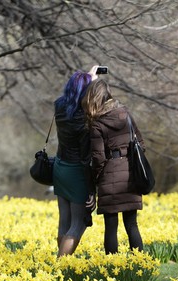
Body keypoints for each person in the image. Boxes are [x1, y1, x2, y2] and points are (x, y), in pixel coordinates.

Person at [82, 78, 144, 254]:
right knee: (132, 224)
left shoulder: (97, 124)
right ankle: (140, 266)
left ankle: (111, 268)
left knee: (111, 227)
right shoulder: (125, 114)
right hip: (130, 174)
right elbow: (140, 142)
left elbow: (98, 157)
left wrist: (95, 178)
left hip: (109, 176)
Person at [52, 67, 100, 257]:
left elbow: (72, 95)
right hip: (76, 172)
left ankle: (61, 264)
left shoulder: (59, 106)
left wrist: (86, 78)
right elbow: (85, 158)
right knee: (78, 224)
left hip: (59, 167)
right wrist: (91, 190)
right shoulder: (84, 117)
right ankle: (61, 266)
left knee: (64, 221)